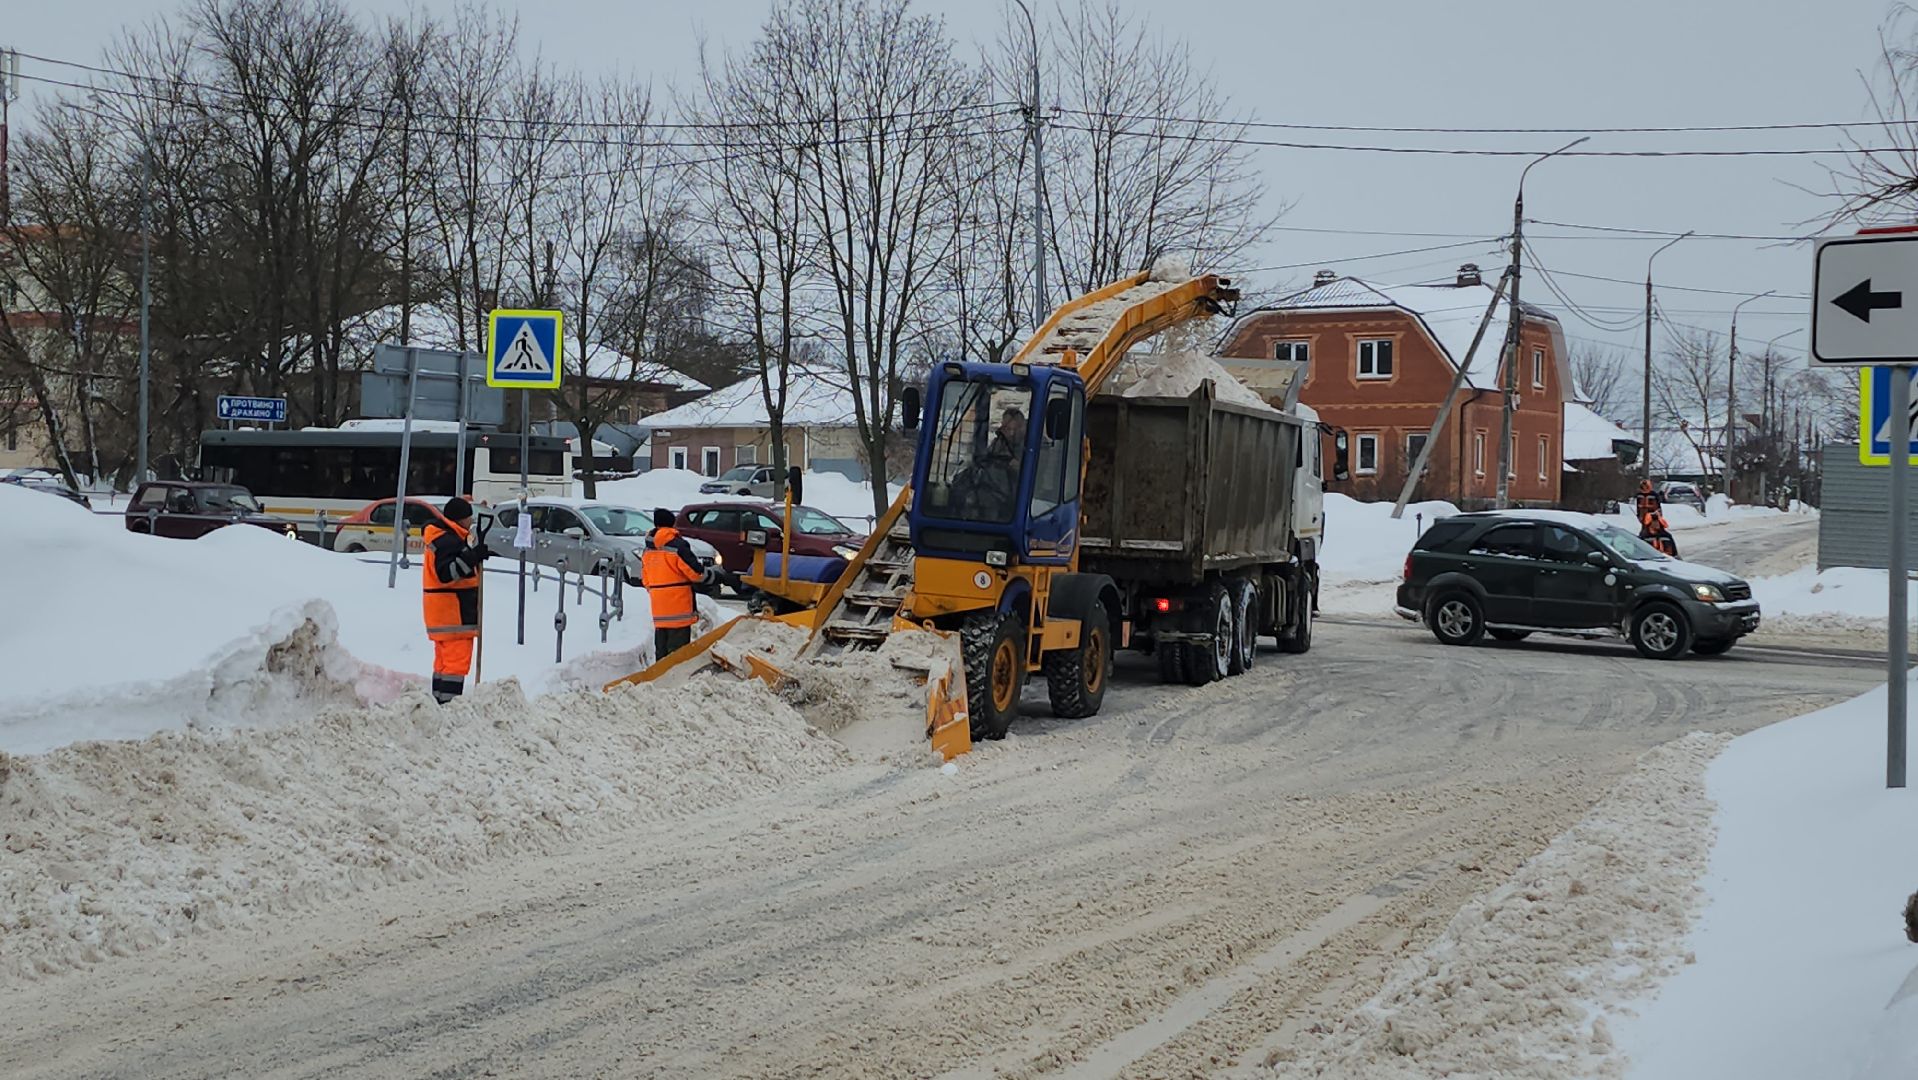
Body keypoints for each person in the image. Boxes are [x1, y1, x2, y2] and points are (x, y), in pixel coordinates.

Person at [422, 496, 491, 703]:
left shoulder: (443, 537)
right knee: (455, 665)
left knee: (443, 665)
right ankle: (449, 709)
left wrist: (472, 554)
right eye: (469, 518)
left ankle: (438, 704)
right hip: (453, 615)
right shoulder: (446, 541)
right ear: (460, 520)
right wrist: (472, 557)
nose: (471, 523)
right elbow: (447, 573)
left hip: (443, 614)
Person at [642, 507, 710, 662]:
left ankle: (657, 680)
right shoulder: (678, 546)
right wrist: (710, 575)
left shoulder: (648, 550)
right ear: (672, 524)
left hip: (658, 607)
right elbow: (695, 573)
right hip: (679, 607)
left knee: (662, 651)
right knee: (677, 655)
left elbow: (645, 579)